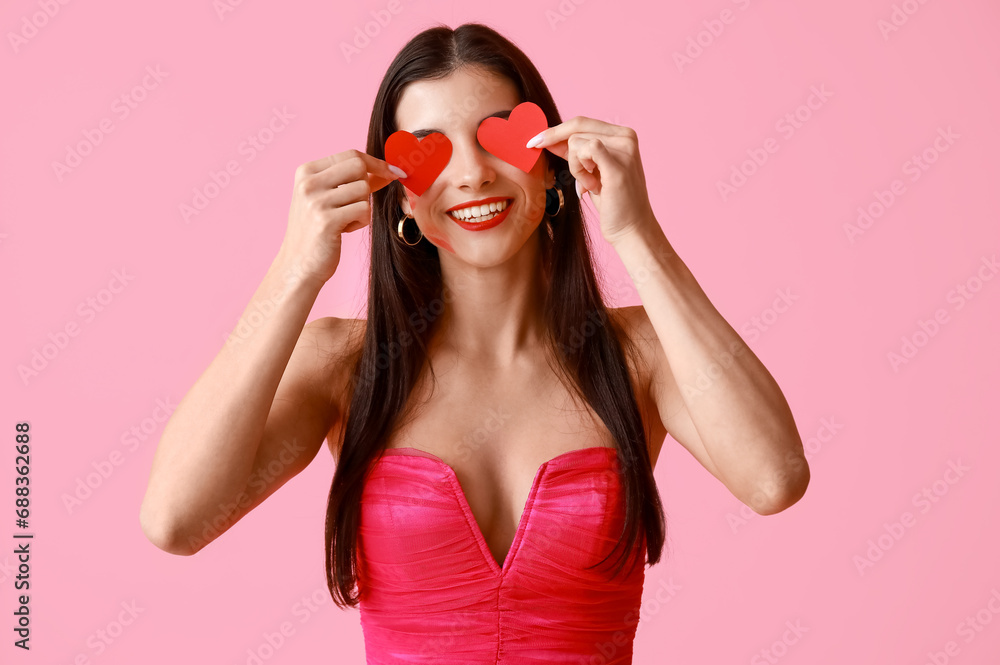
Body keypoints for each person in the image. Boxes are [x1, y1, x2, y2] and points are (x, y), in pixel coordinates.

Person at [140, 22, 809, 664]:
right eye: (428, 148)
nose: (472, 174)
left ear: (553, 164)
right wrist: (295, 271)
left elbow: (773, 478)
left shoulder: (640, 355)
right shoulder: (344, 368)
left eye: (497, 138)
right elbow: (176, 518)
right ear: (398, 194)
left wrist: (637, 233)